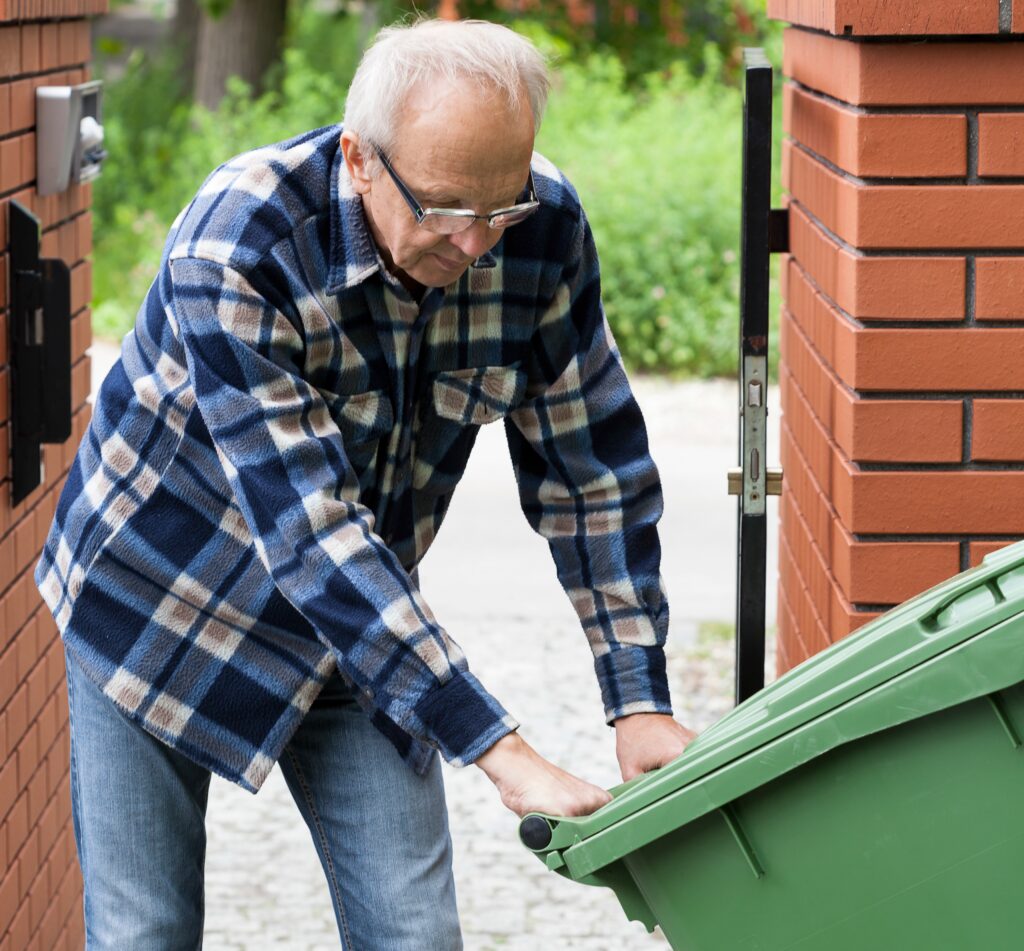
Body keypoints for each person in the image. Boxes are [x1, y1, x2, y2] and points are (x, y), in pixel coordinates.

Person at [36, 16, 694, 950]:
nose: (474, 244)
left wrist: (639, 700)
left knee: (414, 933)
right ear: (359, 158)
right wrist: (502, 751)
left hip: (363, 626)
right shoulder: (239, 246)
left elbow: (591, 470)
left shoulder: (538, 231)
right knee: (147, 931)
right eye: (445, 207)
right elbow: (312, 535)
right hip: (154, 602)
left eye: (498, 207)